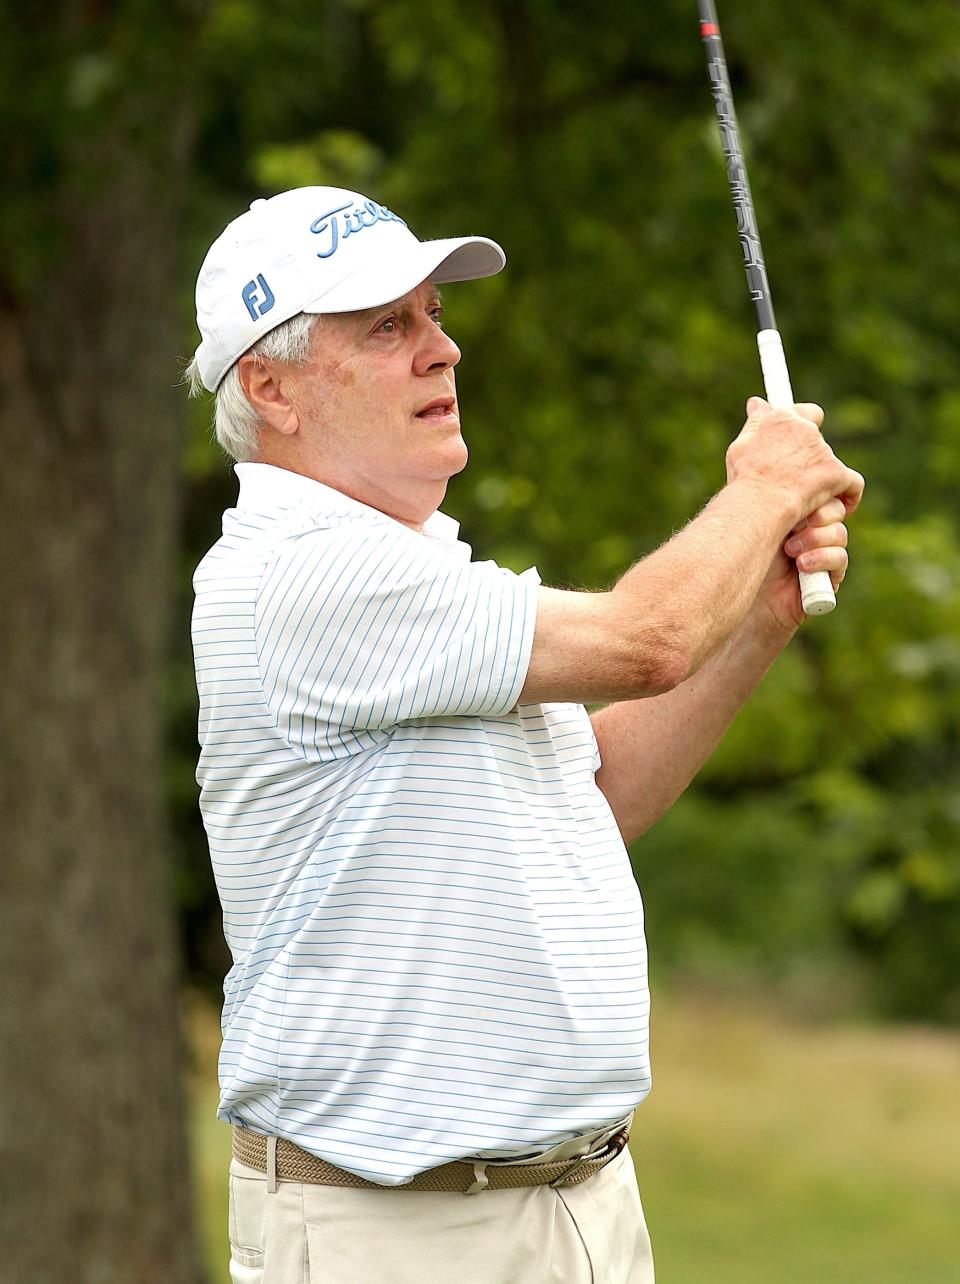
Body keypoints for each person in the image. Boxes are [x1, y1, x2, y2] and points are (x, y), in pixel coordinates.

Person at [186, 185, 862, 1284]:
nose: (441, 351)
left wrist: (765, 612)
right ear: (273, 388)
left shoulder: (416, 570)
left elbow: (595, 801)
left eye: (435, 316)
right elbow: (650, 639)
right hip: (399, 1231)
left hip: (576, 1203)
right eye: (387, 327)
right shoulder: (296, 572)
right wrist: (763, 486)